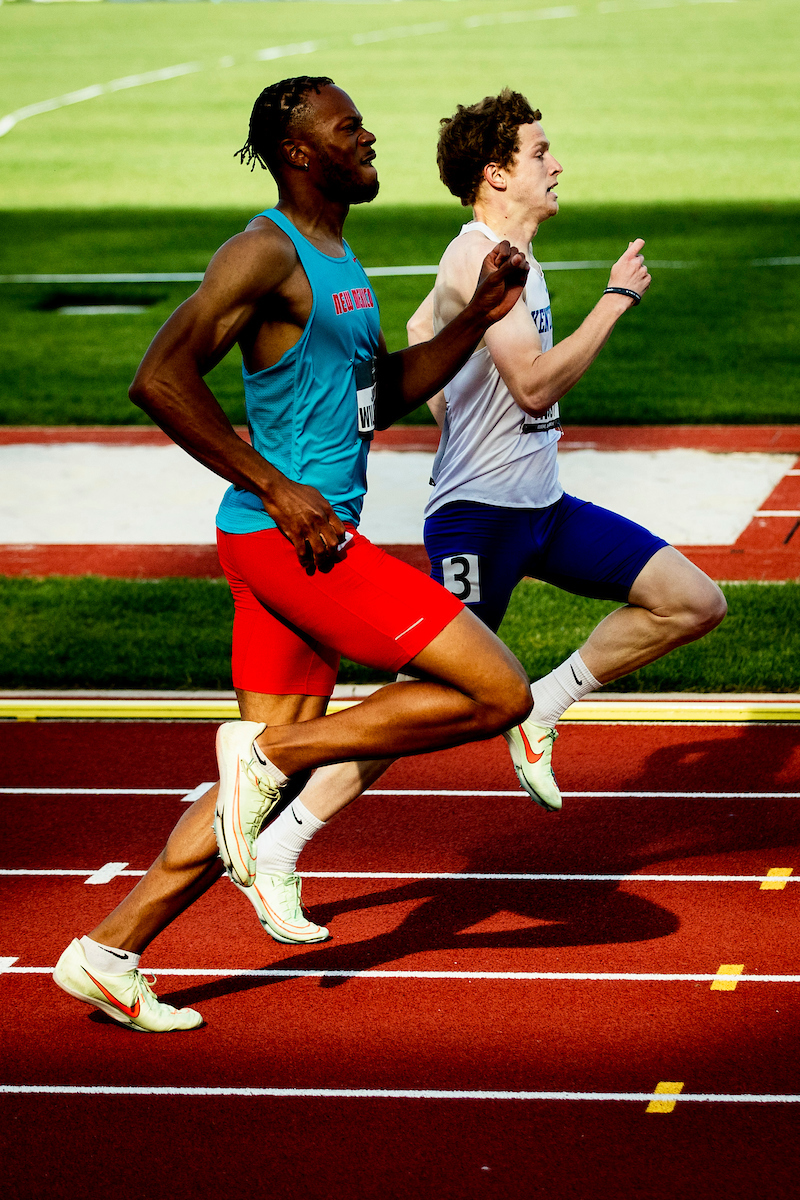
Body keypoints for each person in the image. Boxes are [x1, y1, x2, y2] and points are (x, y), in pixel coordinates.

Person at [52, 76, 533, 1032]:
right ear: (302, 152)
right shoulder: (262, 252)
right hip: (289, 540)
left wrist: (475, 321)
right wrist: (277, 486)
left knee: (253, 798)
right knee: (500, 691)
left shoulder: (337, 257)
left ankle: (107, 950)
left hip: (302, 539)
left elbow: (376, 393)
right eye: (349, 127)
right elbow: (157, 377)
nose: (369, 137)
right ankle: (269, 753)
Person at [232, 87, 729, 901]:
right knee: (426, 701)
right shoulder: (475, 252)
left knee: (693, 601)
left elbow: (424, 329)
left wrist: (448, 402)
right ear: (497, 174)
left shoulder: (503, 261)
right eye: (539, 154)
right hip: (480, 521)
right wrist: (617, 300)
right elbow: (533, 388)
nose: (556, 164)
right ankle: (282, 843)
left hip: (545, 507)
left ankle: (543, 706)